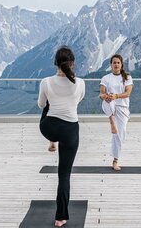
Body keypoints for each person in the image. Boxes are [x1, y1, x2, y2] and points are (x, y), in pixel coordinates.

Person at [38, 46, 85, 227]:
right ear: (72, 63)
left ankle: (52, 142)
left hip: (49, 128)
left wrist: (52, 100)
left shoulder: (45, 82)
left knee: (48, 107)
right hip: (70, 131)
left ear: (55, 63)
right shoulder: (80, 83)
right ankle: (61, 217)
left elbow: (41, 104)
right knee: (64, 175)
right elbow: (78, 100)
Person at [99, 54, 133, 171]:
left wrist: (116, 95)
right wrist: (106, 96)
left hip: (122, 107)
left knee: (119, 134)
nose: (116, 64)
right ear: (111, 64)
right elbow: (101, 93)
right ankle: (111, 120)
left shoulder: (127, 77)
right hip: (110, 105)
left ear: (121, 64)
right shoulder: (105, 78)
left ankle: (115, 160)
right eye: (114, 62)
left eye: (118, 62)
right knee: (107, 102)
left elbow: (128, 93)